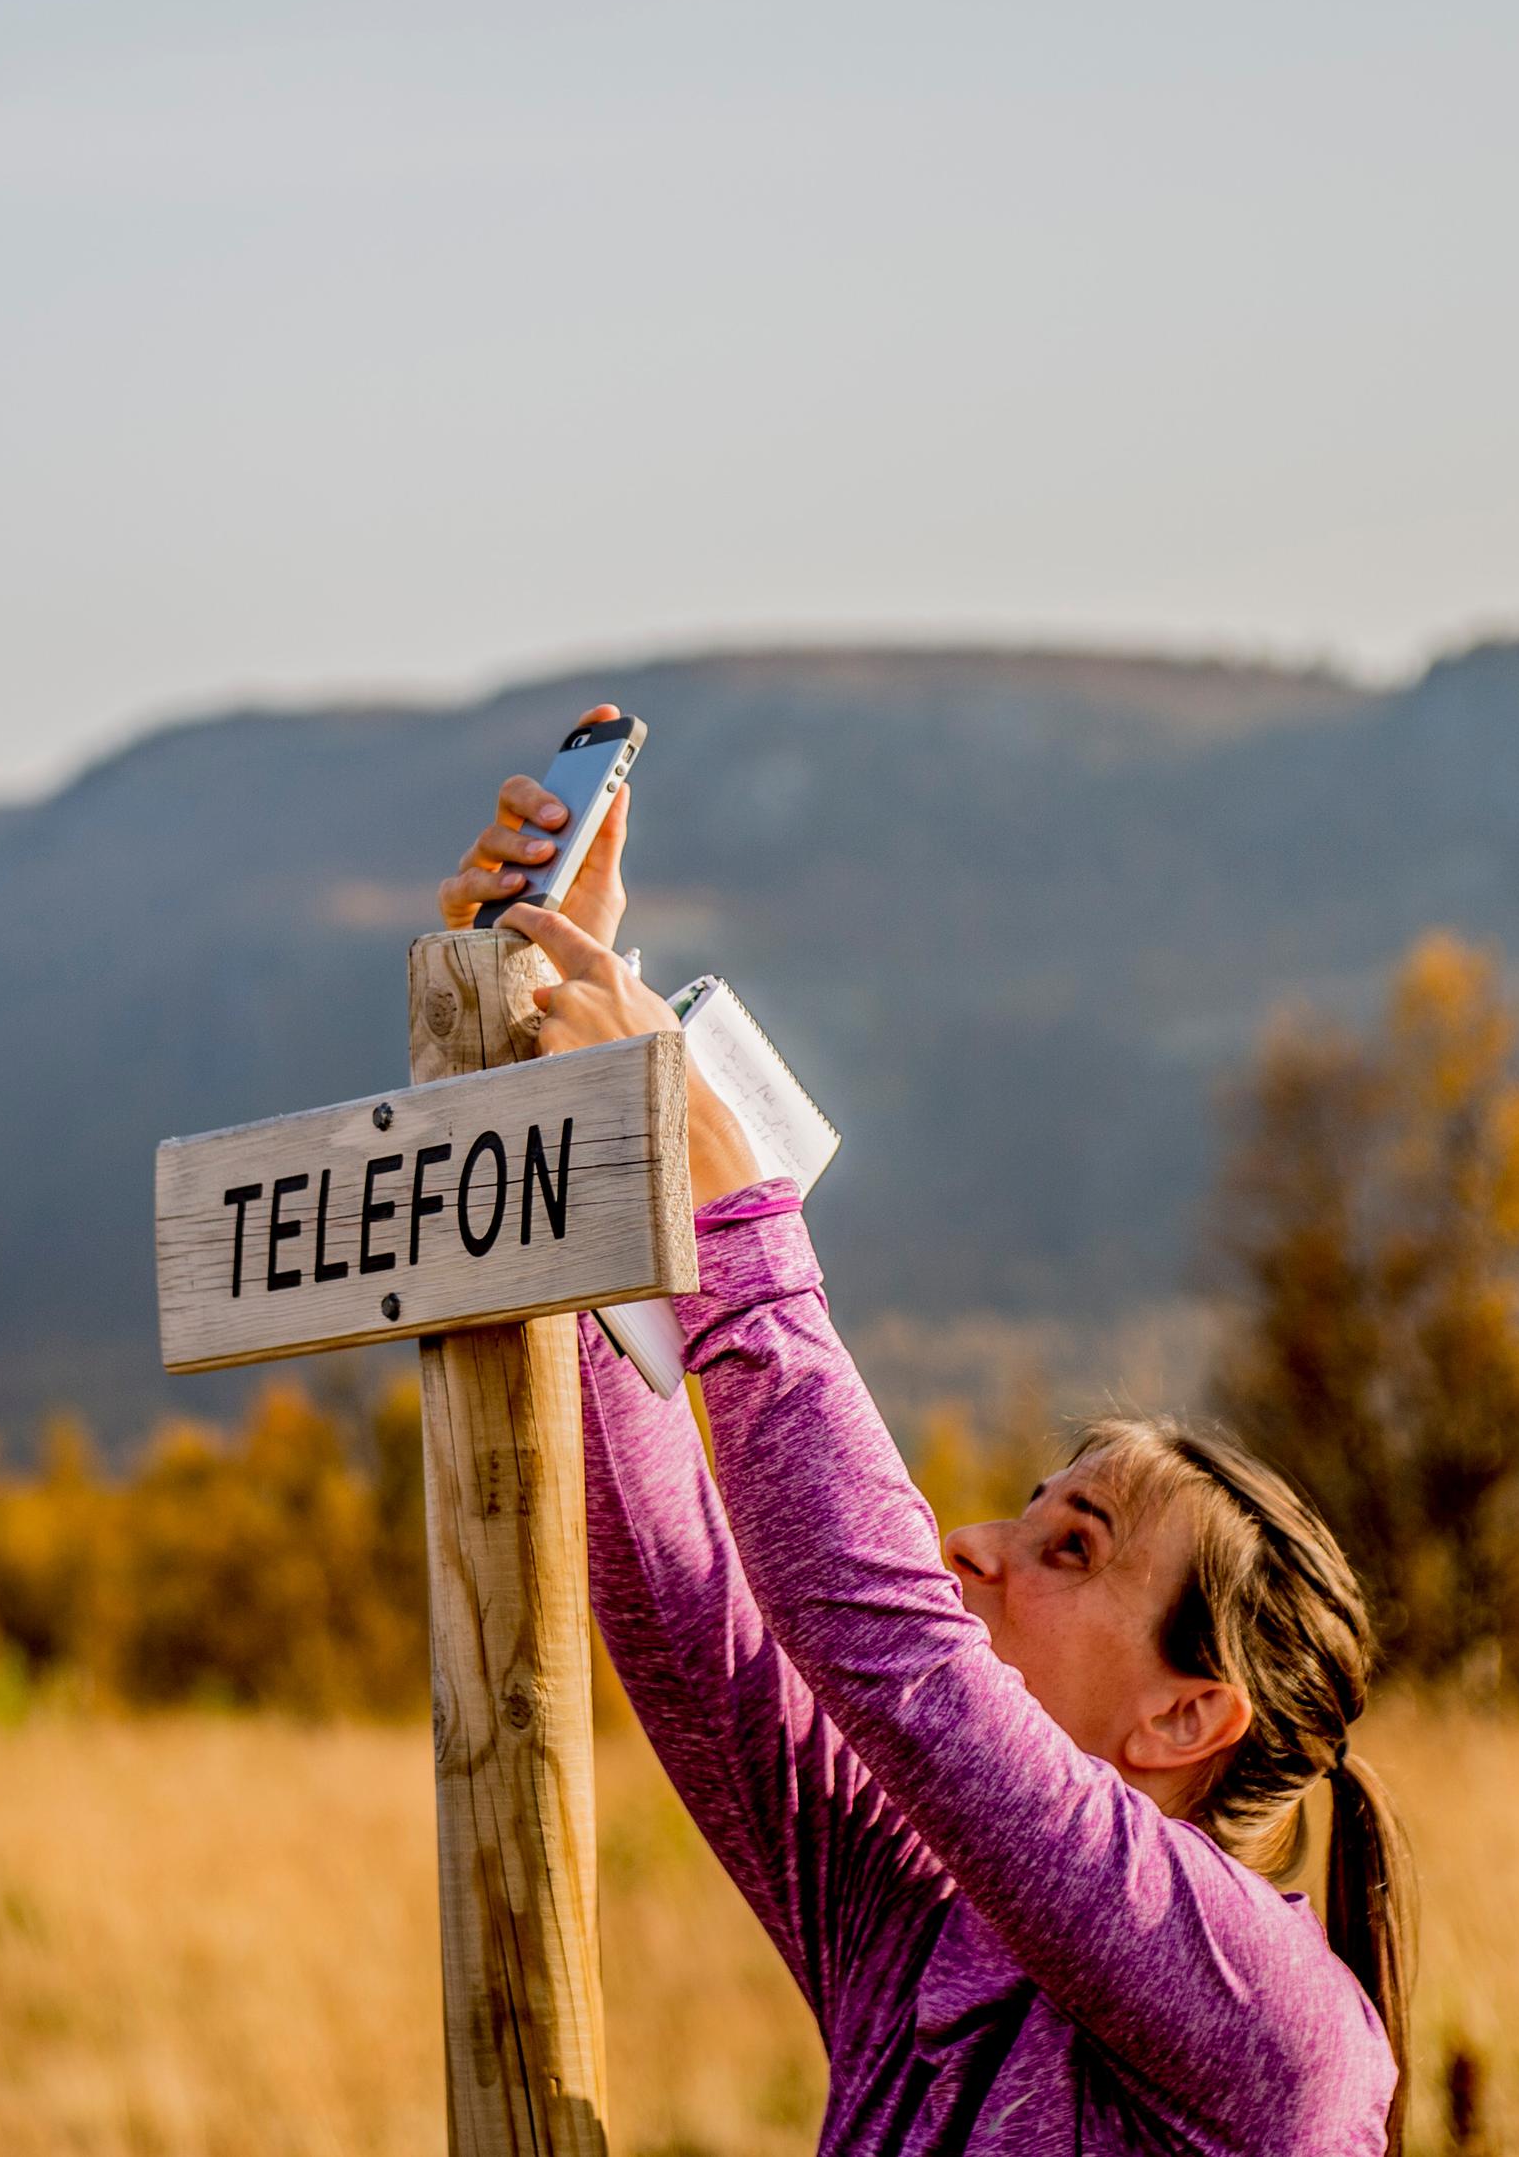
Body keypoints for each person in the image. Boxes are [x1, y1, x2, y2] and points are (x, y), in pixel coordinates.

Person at [440, 708, 1416, 2157]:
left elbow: (879, 1636)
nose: (977, 1543)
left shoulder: (1280, 2038)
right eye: (1032, 1507)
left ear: (1187, 1717)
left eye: (1070, 1548)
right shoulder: (920, 1928)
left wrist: (733, 1213)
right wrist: (560, 1066)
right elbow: (682, 1606)